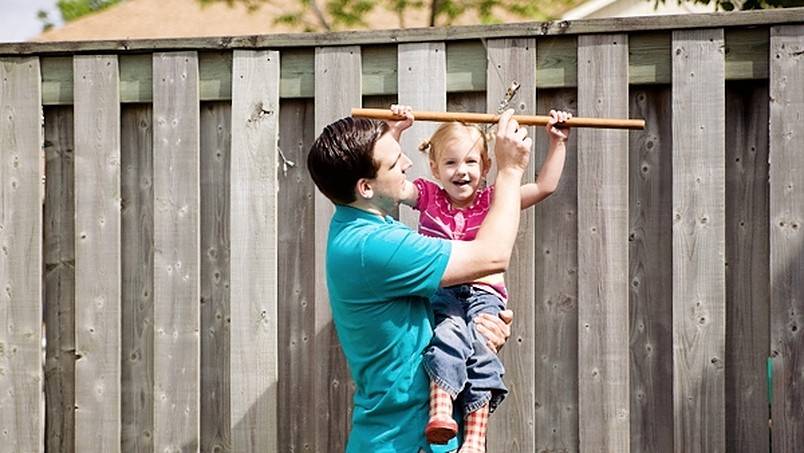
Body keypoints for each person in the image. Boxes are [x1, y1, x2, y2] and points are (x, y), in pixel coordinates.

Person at [307, 108, 531, 453]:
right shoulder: (375, 247)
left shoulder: (373, 230)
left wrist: (480, 328)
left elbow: (440, 303)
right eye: (396, 163)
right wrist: (511, 170)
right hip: (402, 442)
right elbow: (492, 256)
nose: (408, 164)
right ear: (365, 187)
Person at [395, 107, 572, 452]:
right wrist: (396, 131)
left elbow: (546, 186)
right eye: (450, 163)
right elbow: (394, 185)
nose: (461, 171)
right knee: (447, 335)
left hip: (485, 294)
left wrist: (558, 142)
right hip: (443, 292)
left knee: (481, 350)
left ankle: (475, 439)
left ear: (487, 166)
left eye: (471, 163)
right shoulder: (429, 197)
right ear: (434, 168)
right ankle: (442, 410)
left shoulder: (494, 199)